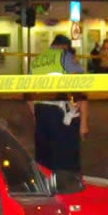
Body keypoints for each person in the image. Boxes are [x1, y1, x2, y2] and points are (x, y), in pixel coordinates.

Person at [29, 34, 88, 173]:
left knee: (44, 159)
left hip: (41, 112)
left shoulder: (36, 60)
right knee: (66, 160)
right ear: (65, 46)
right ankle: (66, 184)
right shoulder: (66, 56)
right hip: (62, 114)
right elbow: (80, 88)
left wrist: (36, 113)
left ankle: (48, 184)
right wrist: (83, 122)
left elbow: (28, 93)